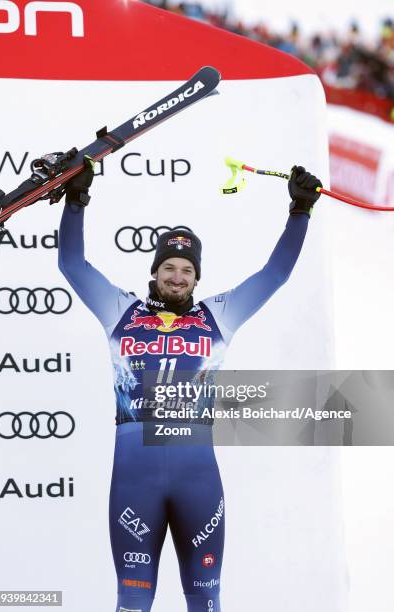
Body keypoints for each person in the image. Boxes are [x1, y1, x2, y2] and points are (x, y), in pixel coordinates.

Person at [58, 159, 322, 612]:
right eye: (169, 267)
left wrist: (300, 211)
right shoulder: (121, 311)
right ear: (155, 272)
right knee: (132, 602)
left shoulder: (218, 315)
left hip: (197, 478)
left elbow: (274, 275)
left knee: (205, 601)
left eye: (187, 270)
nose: (177, 276)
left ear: (197, 277)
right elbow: (71, 264)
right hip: (133, 477)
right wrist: (76, 200)